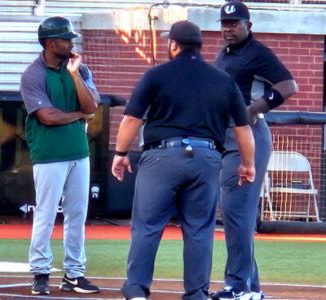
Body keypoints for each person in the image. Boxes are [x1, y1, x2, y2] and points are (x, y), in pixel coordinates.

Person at [111, 20, 256, 300]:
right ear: (200, 46)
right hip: (206, 158)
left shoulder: (156, 75)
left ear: (173, 45)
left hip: (161, 157)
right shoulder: (223, 80)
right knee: (200, 229)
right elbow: (243, 128)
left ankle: (137, 289)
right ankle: (196, 293)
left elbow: (132, 118)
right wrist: (247, 164)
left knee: (148, 225)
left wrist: (120, 153)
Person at [211, 2, 298, 300]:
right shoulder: (225, 53)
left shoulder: (258, 52)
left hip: (249, 135)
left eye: (234, 23)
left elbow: (288, 86)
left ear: (249, 24)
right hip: (228, 135)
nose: (228, 28)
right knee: (236, 212)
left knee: (237, 212)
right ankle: (252, 288)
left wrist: (254, 109)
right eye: (224, 23)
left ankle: (237, 286)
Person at [20, 16, 100, 296]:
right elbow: (48, 116)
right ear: (50, 42)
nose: (71, 43)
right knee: (45, 212)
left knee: (78, 214)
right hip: (49, 153)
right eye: (66, 39)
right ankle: (40, 272)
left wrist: (76, 74)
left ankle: (74, 274)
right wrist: (79, 115)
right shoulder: (33, 74)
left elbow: (93, 104)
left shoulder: (78, 67)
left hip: (78, 151)